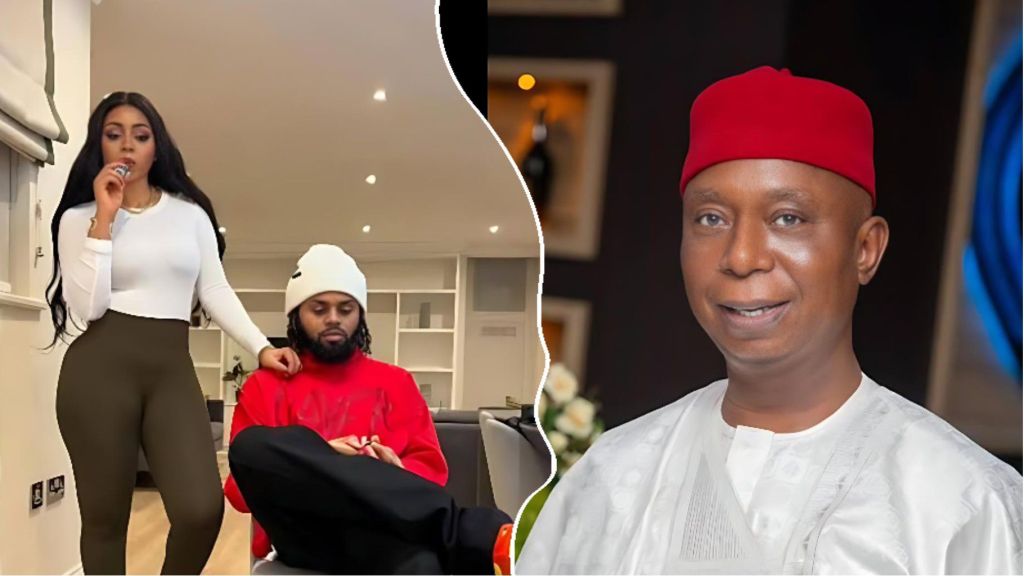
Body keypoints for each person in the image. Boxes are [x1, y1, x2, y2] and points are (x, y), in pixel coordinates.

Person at [516, 67, 1023, 574]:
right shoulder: (613, 474)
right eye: (711, 218)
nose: (741, 257)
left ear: (865, 249)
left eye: (787, 219)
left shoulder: (966, 506)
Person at [45, 91, 301, 575]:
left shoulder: (189, 215)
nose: (127, 147)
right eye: (114, 135)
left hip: (170, 370)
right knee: (104, 522)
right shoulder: (80, 219)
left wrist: (262, 347)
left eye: (140, 136)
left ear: (155, 148)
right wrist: (105, 217)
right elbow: (87, 306)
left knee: (201, 508)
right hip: (97, 372)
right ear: (99, 146)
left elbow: (215, 287)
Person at [224, 244, 514, 575]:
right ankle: (472, 533)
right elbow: (239, 490)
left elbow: (433, 470)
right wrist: (322, 457)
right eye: (319, 309)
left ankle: (471, 539)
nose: (333, 318)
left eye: (345, 308)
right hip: (305, 535)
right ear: (296, 315)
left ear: (360, 314)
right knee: (251, 447)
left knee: (423, 566)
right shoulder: (266, 385)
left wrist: (396, 468)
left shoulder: (397, 383)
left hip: (384, 531)